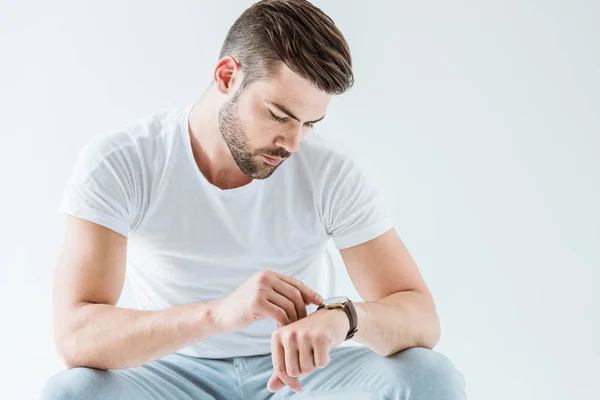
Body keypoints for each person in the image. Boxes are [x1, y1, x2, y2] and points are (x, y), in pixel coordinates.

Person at [40, 1, 466, 399]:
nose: (293, 143)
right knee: (71, 392)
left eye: (309, 124)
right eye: (279, 116)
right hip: (169, 372)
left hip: (301, 378)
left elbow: (420, 316)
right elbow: (76, 335)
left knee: (430, 377)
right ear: (227, 76)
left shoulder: (331, 173)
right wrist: (218, 315)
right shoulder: (123, 161)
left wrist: (344, 318)